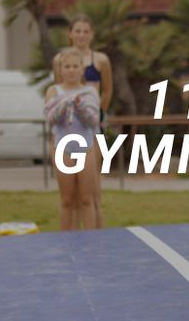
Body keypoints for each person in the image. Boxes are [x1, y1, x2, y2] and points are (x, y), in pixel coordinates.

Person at [54, 15, 112, 229]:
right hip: (68, 128)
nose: (81, 35)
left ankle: (97, 239)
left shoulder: (101, 60)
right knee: (72, 195)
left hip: (91, 126)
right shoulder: (60, 59)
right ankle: (73, 239)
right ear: (70, 34)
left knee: (93, 193)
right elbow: (57, 91)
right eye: (77, 31)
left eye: (85, 31)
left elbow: (108, 89)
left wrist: (98, 115)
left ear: (92, 34)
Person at [45, 49, 101, 230]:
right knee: (67, 199)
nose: (71, 70)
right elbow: (51, 119)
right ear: (60, 70)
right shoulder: (53, 91)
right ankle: (66, 242)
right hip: (63, 148)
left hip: (86, 147)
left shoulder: (90, 92)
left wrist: (79, 106)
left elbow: (93, 120)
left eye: (75, 66)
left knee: (86, 198)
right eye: (67, 66)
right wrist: (63, 104)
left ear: (81, 69)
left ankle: (91, 241)